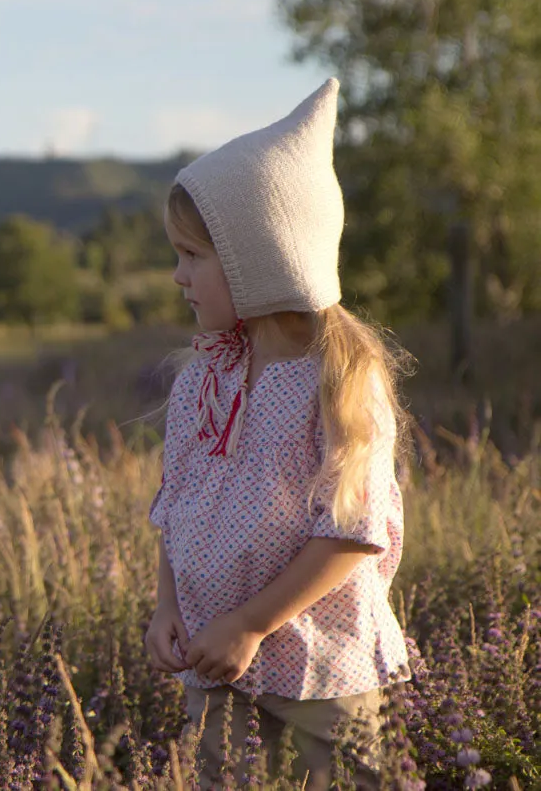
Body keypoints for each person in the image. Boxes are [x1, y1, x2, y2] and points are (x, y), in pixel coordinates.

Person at [144, 78, 412, 790]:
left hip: (321, 664)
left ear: (258, 257)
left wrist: (253, 623)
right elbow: (176, 506)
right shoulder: (202, 379)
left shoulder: (341, 384)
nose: (178, 275)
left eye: (193, 256)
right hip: (213, 654)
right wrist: (168, 605)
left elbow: (352, 532)